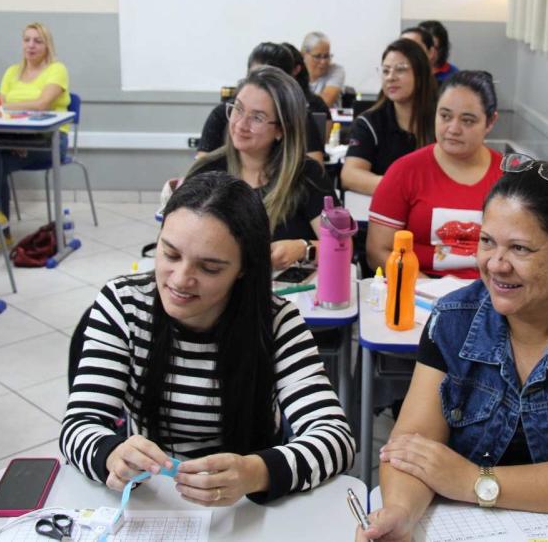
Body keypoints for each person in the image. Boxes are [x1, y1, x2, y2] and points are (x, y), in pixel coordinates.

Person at [357, 157, 548, 541]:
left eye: (520, 248)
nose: (496, 265)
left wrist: (475, 481)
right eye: (487, 241)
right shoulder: (453, 320)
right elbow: (409, 451)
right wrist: (401, 514)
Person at [61, 171, 355, 505]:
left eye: (210, 268)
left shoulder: (276, 322)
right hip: (154, 499)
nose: (180, 280)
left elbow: (336, 440)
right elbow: (79, 425)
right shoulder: (123, 305)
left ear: (243, 268)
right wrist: (111, 455)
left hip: (245, 503)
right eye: (170, 254)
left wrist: (255, 472)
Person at [187, 65, 335, 271]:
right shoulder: (206, 172)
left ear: (281, 130)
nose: (241, 124)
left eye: (257, 118)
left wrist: (303, 248)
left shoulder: (307, 174)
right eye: (238, 109)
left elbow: (341, 247)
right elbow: (178, 242)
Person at [367, 71, 501, 278]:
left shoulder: (508, 177)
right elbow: (378, 251)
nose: (453, 129)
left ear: (490, 122)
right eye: (445, 116)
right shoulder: (405, 172)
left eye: (467, 121)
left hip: (489, 289)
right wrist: (427, 288)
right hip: (419, 287)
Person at [0, 22, 71, 255]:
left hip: (49, 142)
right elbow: (1, 109)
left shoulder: (57, 70)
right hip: (14, 140)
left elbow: (41, 104)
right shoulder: (12, 72)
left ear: (47, 45)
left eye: (38, 41)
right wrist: (13, 136)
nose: (31, 45)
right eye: (27, 40)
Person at [196, 42, 326, 164]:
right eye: (255, 78)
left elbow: (315, 164)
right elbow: (201, 166)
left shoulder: (298, 117)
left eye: (257, 118)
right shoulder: (222, 113)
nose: (241, 125)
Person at [341, 38, 435, 195]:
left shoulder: (441, 119)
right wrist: (404, 188)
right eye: (385, 71)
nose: (390, 77)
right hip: (388, 204)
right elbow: (350, 175)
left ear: (420, 75)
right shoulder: (369, 122)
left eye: (400, 70)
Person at [301, 31, 345, 108]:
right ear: (304, 55)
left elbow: (324, 103)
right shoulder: (296, 71)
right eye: (317, 56)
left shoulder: (336, 71)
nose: (323, 62)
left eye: (326, 56)